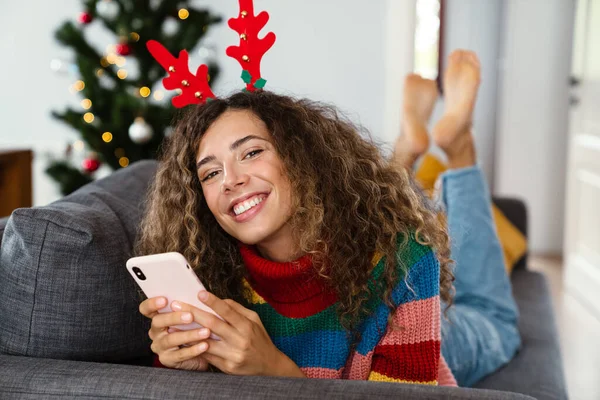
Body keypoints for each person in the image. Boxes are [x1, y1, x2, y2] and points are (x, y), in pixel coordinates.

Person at [136, 50, 520, 387]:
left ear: (302, 158)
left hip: (419, 338)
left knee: (494, 322)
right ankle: (407, 153)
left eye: (251, 153)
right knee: (389, 204)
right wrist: (184, 368)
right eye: (211, 173)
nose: (231, 180)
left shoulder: (405, 261)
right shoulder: (208, 274)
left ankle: (459, 149)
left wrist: (272, 369)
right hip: (388, 325)